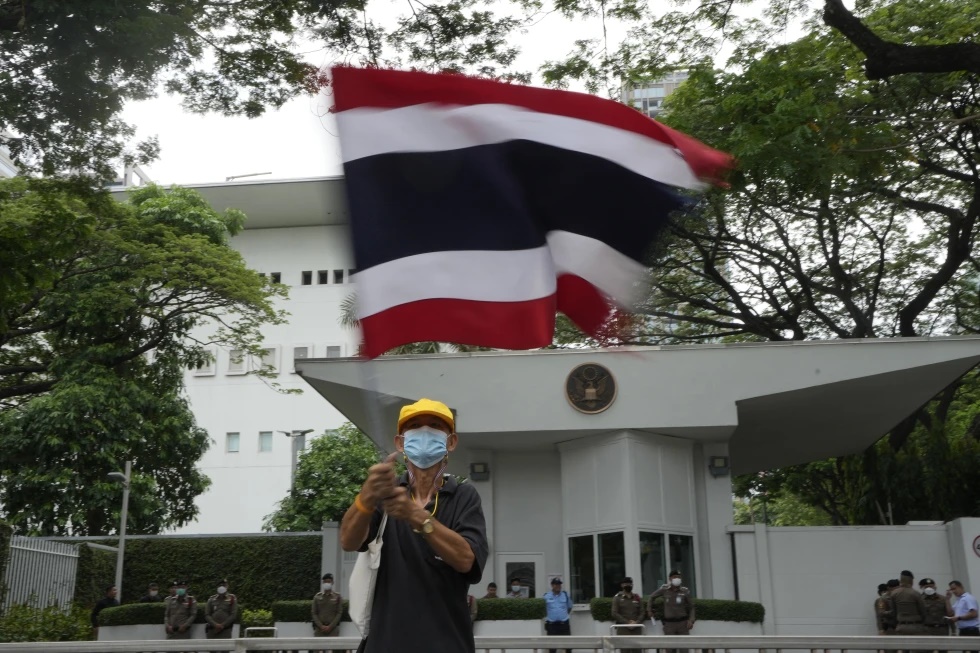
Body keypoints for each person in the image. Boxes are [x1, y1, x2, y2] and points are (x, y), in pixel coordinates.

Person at [339, 397, 489, 653]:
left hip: (447, 645)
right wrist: (365, 497)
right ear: (400, 442)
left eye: (435, 426)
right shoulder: (384, 494)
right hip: (384, 645)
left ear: (451, 441)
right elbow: (348, 541)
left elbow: (466, 560)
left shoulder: (464, 496)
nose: (424, 432)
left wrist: (417, 516)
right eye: (415, 426)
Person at [649, 570, 695, 650]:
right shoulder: (664, 589)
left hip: (683, 624)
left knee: (684, 649)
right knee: (669, 649)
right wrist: (649, 610)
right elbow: (651, 597)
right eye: (675, 577)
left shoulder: (685, 591)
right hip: (669, 624)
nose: (677, 579)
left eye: (679, 577)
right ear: (670, 578)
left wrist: (691, 620)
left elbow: (692, 607)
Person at [611, 577, 644, 653]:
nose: (628, 585)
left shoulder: (637, 597)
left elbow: (642, 612)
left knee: (637, 651)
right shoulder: (617, 598)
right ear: (622, 585)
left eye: (630, 584)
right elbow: (614, 613)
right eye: (626, 584)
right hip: (623, 629)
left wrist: (636, 622)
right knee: (624, 650)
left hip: (636, 629)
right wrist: (627, 623)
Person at [312, 572, 343, 651]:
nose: (327, 583)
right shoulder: (317, 597)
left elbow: (339, 612)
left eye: (329, 581)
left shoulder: (337, 597)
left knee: (333, 650)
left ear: (332, 582)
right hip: (319, 630)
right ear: (323, 583)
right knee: (318, 650)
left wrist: (330, 626)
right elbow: (314, 613)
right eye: (325, 581)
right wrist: (320, 626)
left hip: (332, 630)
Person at [892, 570, 926, 635]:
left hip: (901, 626)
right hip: (916, 626)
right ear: (911, 581)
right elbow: (923, 611)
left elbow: (893, 612)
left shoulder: (894, 593)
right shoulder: (916, 593)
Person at [543, 577, 572, 653]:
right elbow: (544, 609)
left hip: (564, 624)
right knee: (552, 648)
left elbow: (569, 607)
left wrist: (562, 615)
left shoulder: (565, 595)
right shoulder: (546, 596)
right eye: (556, 584)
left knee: (568, 647)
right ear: (552, 585)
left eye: (559, 584)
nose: (558, 586)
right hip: (552, 625)